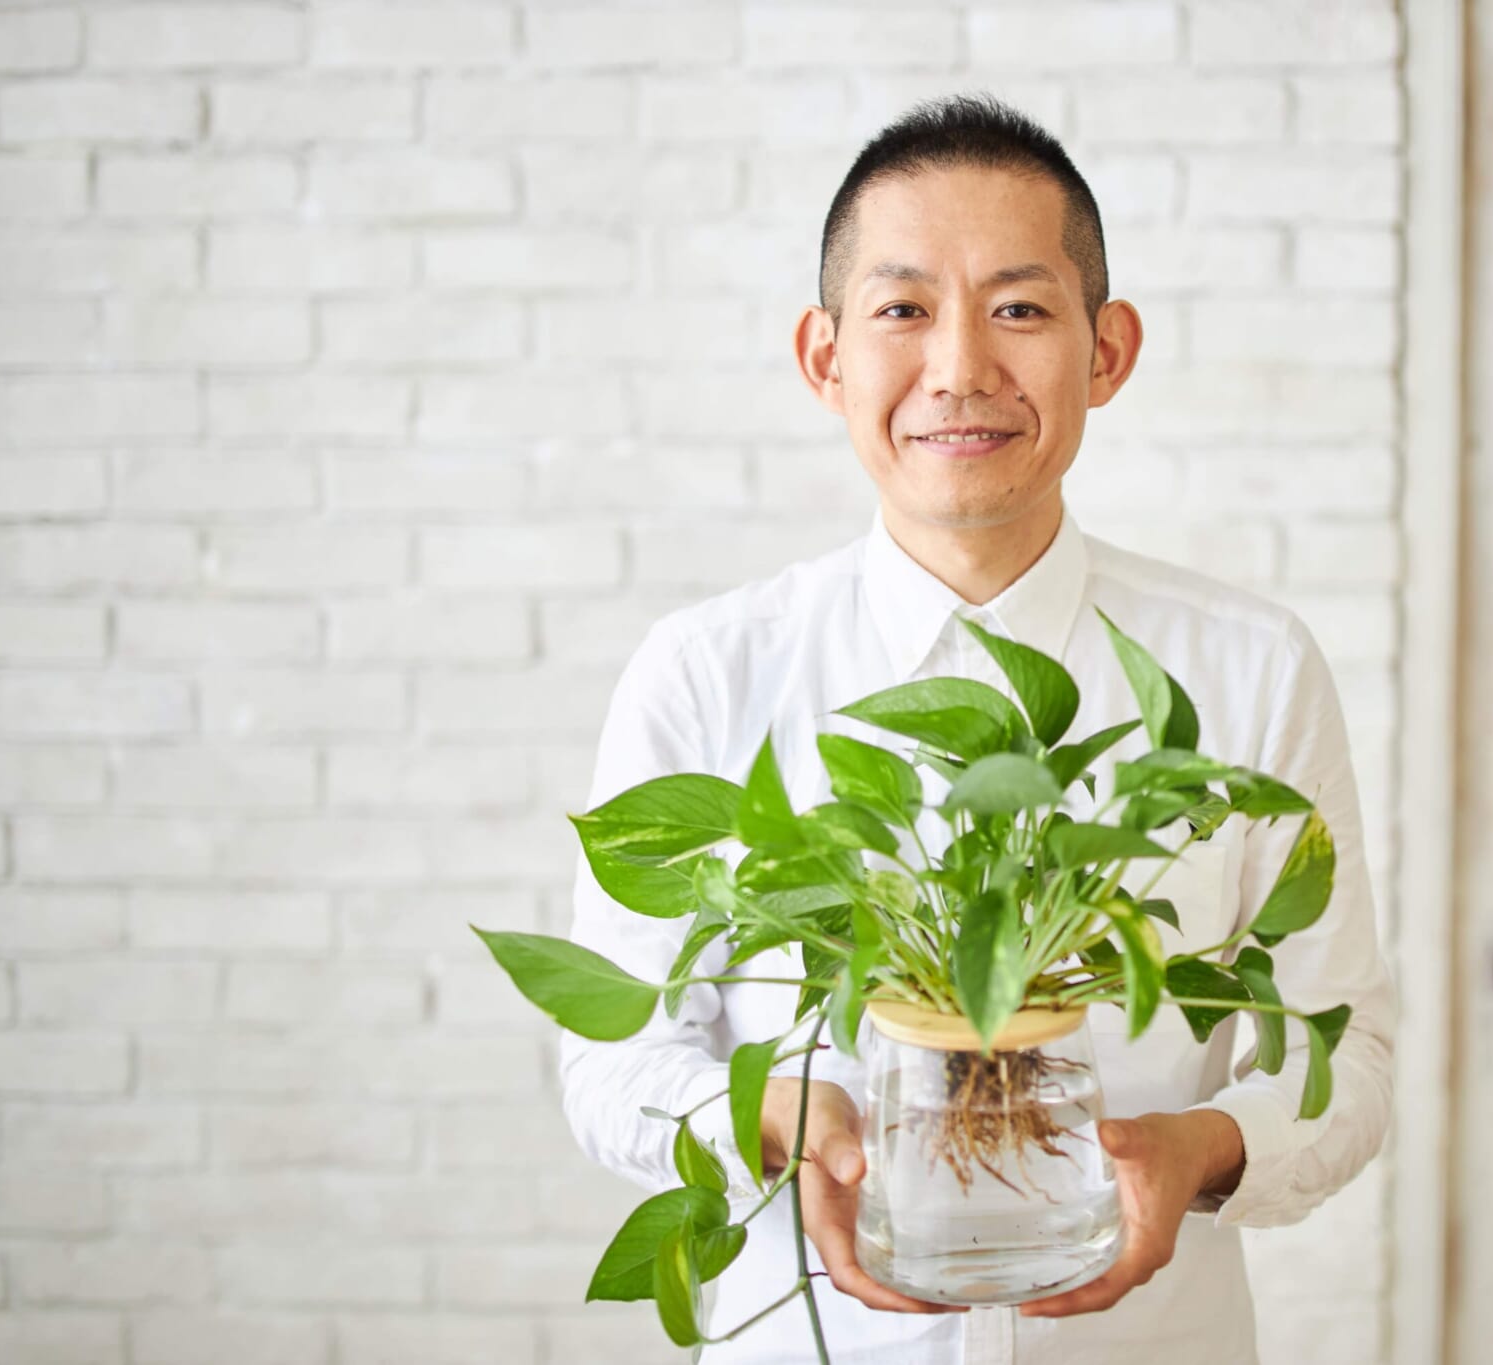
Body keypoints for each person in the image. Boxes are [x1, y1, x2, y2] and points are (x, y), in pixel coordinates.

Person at [559, 92, 1397, 1364]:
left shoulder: (1248, 667)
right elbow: (613, 1067)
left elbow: (1347, 1051)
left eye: (1018, 308)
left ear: (1105, 350)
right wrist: (774, 1116)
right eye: (901, 310)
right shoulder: (704, 672)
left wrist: (1199, 1149)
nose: (958, 367)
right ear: (823, 355)